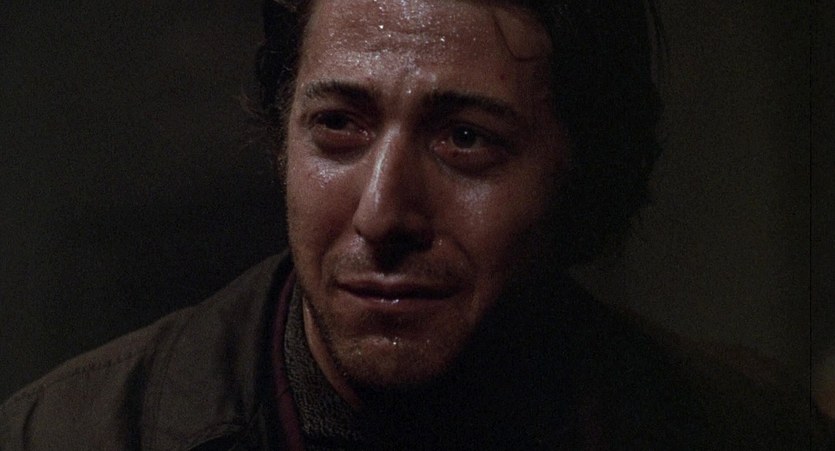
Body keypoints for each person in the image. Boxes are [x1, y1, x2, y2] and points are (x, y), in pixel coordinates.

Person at [0, 0, 819, 449]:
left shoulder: (748, 429)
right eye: (338, 126)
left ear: (585, 171)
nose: (381, 212)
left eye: (464, 138)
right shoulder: (72, 435)